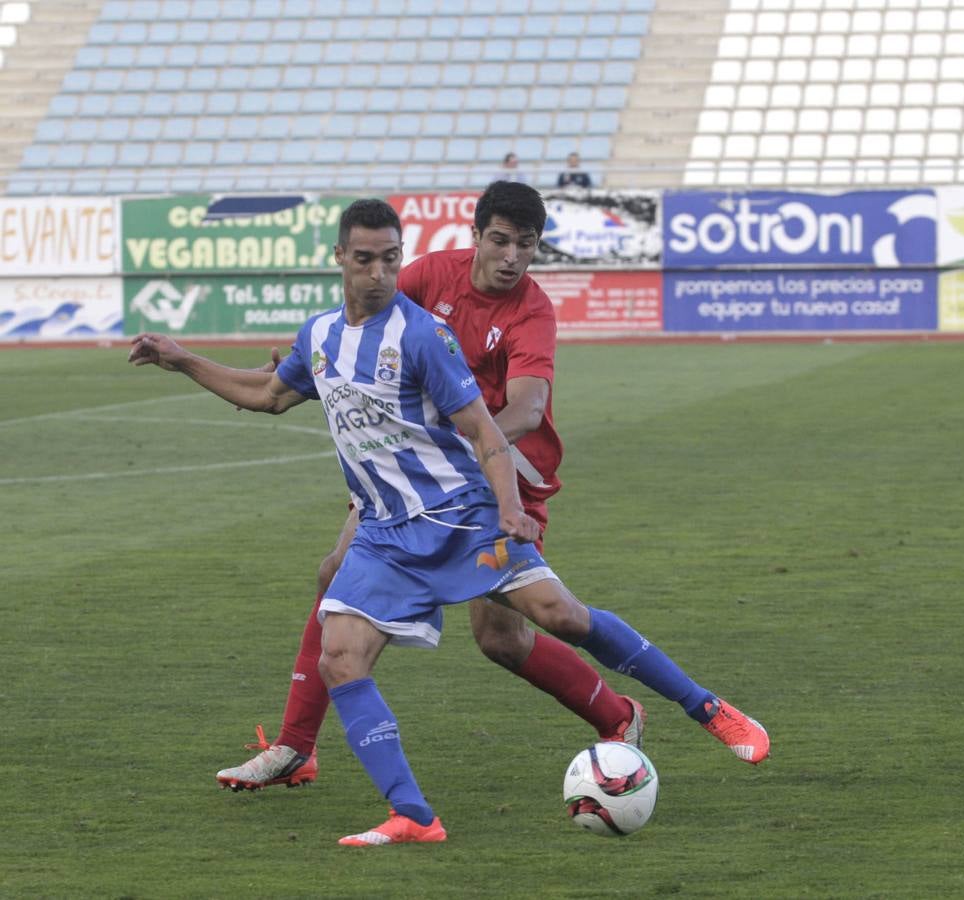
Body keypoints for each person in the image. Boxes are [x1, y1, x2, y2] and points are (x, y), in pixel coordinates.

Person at [130, 198, 770, 847]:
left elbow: (495, 427)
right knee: (342, 653)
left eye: (388, 259)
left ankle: (708, 708)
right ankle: (409, 813)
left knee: (556, 618)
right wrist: (182, 358)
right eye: (365, 259)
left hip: (466, 514)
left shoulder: (425, 334)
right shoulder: (324, 332)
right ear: (340, 260)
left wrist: (510, 509)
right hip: (386, 528)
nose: (379, 272)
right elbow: (270, 394)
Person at [213, 182, 669, 794]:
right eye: (500, 241)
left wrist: (447, 451)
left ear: (537, 249)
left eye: (525, 245)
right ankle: (296, 746)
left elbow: (528, 409)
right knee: (335, 571)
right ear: (477, 236)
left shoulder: (531, 310)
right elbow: (368, 313)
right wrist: (324, 361)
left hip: (503, 471)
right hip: (417, 476)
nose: (510, 256)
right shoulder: (431, 274)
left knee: (502, 638)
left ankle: (619, 714)